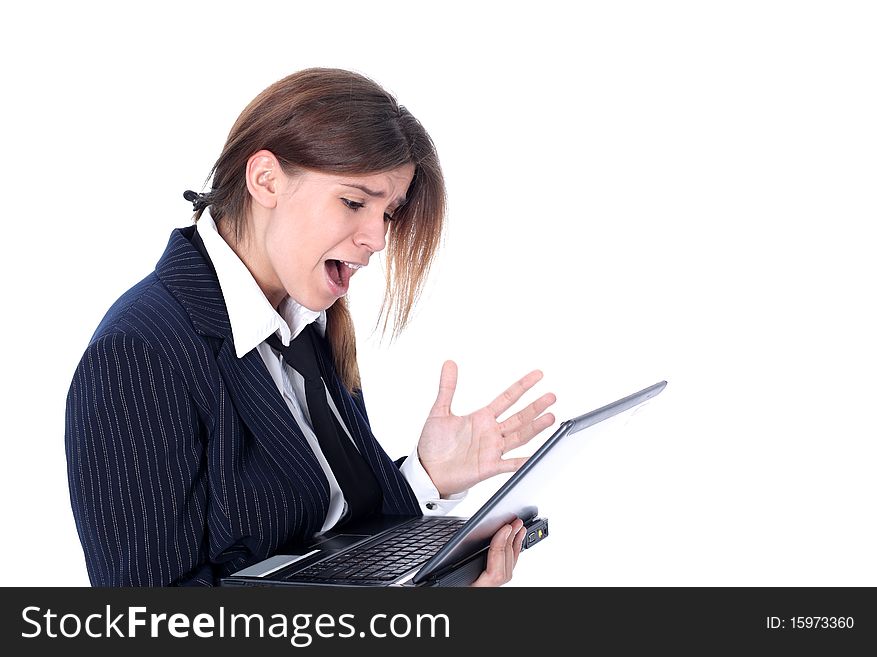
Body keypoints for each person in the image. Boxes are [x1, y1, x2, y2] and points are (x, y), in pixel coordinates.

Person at [64, 68, 556, 587]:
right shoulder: (139, 352)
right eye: (353, 202)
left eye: (388, 212)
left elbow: (336, 543)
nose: (378, 238)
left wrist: (428, 477)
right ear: (266, 180)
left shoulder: (307, 323)